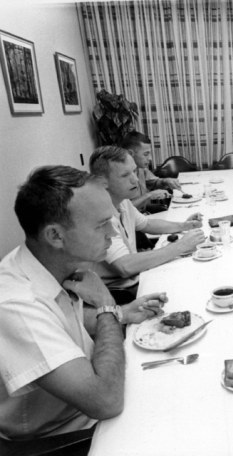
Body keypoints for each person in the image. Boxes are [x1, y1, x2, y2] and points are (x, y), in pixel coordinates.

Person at [0, 166, 166, 441]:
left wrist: (121, 313)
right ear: (55, 236)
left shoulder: (54, 266)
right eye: (101, 224)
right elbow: (106, 401)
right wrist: (106, 307)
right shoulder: (16, 305)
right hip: (64, 435)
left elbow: (58, 324)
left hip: (88, 407)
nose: (113, 233)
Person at [89, 146, 206, 299]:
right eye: (125, 175)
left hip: (135, 278)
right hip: (120, 292)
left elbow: (147, 224)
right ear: (102, 182)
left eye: (134, 171)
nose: (135, 179)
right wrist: (181, 246)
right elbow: (125, 266)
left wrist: (184, 226)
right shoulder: (98, 213)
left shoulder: (122, 201)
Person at [119, 131, 180, 213]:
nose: (150, 158)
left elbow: (153, 182)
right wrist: (149, 196)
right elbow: (121, 210)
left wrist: (165, 181)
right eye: (146, 154)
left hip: (145, 215)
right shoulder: (119, 176)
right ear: (130, 153)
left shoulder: (141, 169)